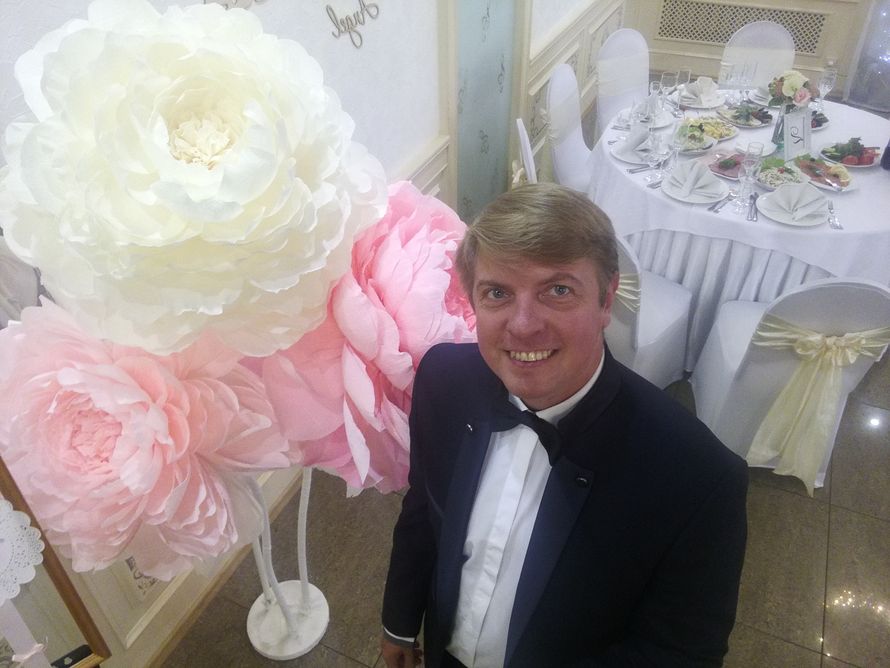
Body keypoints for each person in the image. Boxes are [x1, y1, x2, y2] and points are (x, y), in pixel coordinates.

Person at [380, 183, 748, 668]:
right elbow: (422, 511)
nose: (523, 325)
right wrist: (399, 622)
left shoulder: (700, 478)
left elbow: (679, 654)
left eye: (558, 290)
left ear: (606, 299)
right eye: (497, 293)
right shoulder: (443, 379)